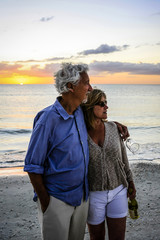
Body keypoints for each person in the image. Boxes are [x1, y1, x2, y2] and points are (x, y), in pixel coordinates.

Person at [24, 63, 129, 240]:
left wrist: (115, 125)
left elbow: (97, 116)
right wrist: (47, 203)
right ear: (71, 86)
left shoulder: (80, 111)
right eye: (86, 83)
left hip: (82, 198)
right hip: (56, 199)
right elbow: (33, 166)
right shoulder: (47, 119)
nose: (90, 88)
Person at [82, 89, 136, 240]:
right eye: (101, 103)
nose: (106, 107)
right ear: (90, 106)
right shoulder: (80, 132)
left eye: (106, 103)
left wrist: (130, 181)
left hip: (118, 190)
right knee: (96, 237)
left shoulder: (113, 128)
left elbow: (123, 158)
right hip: (93, 194)